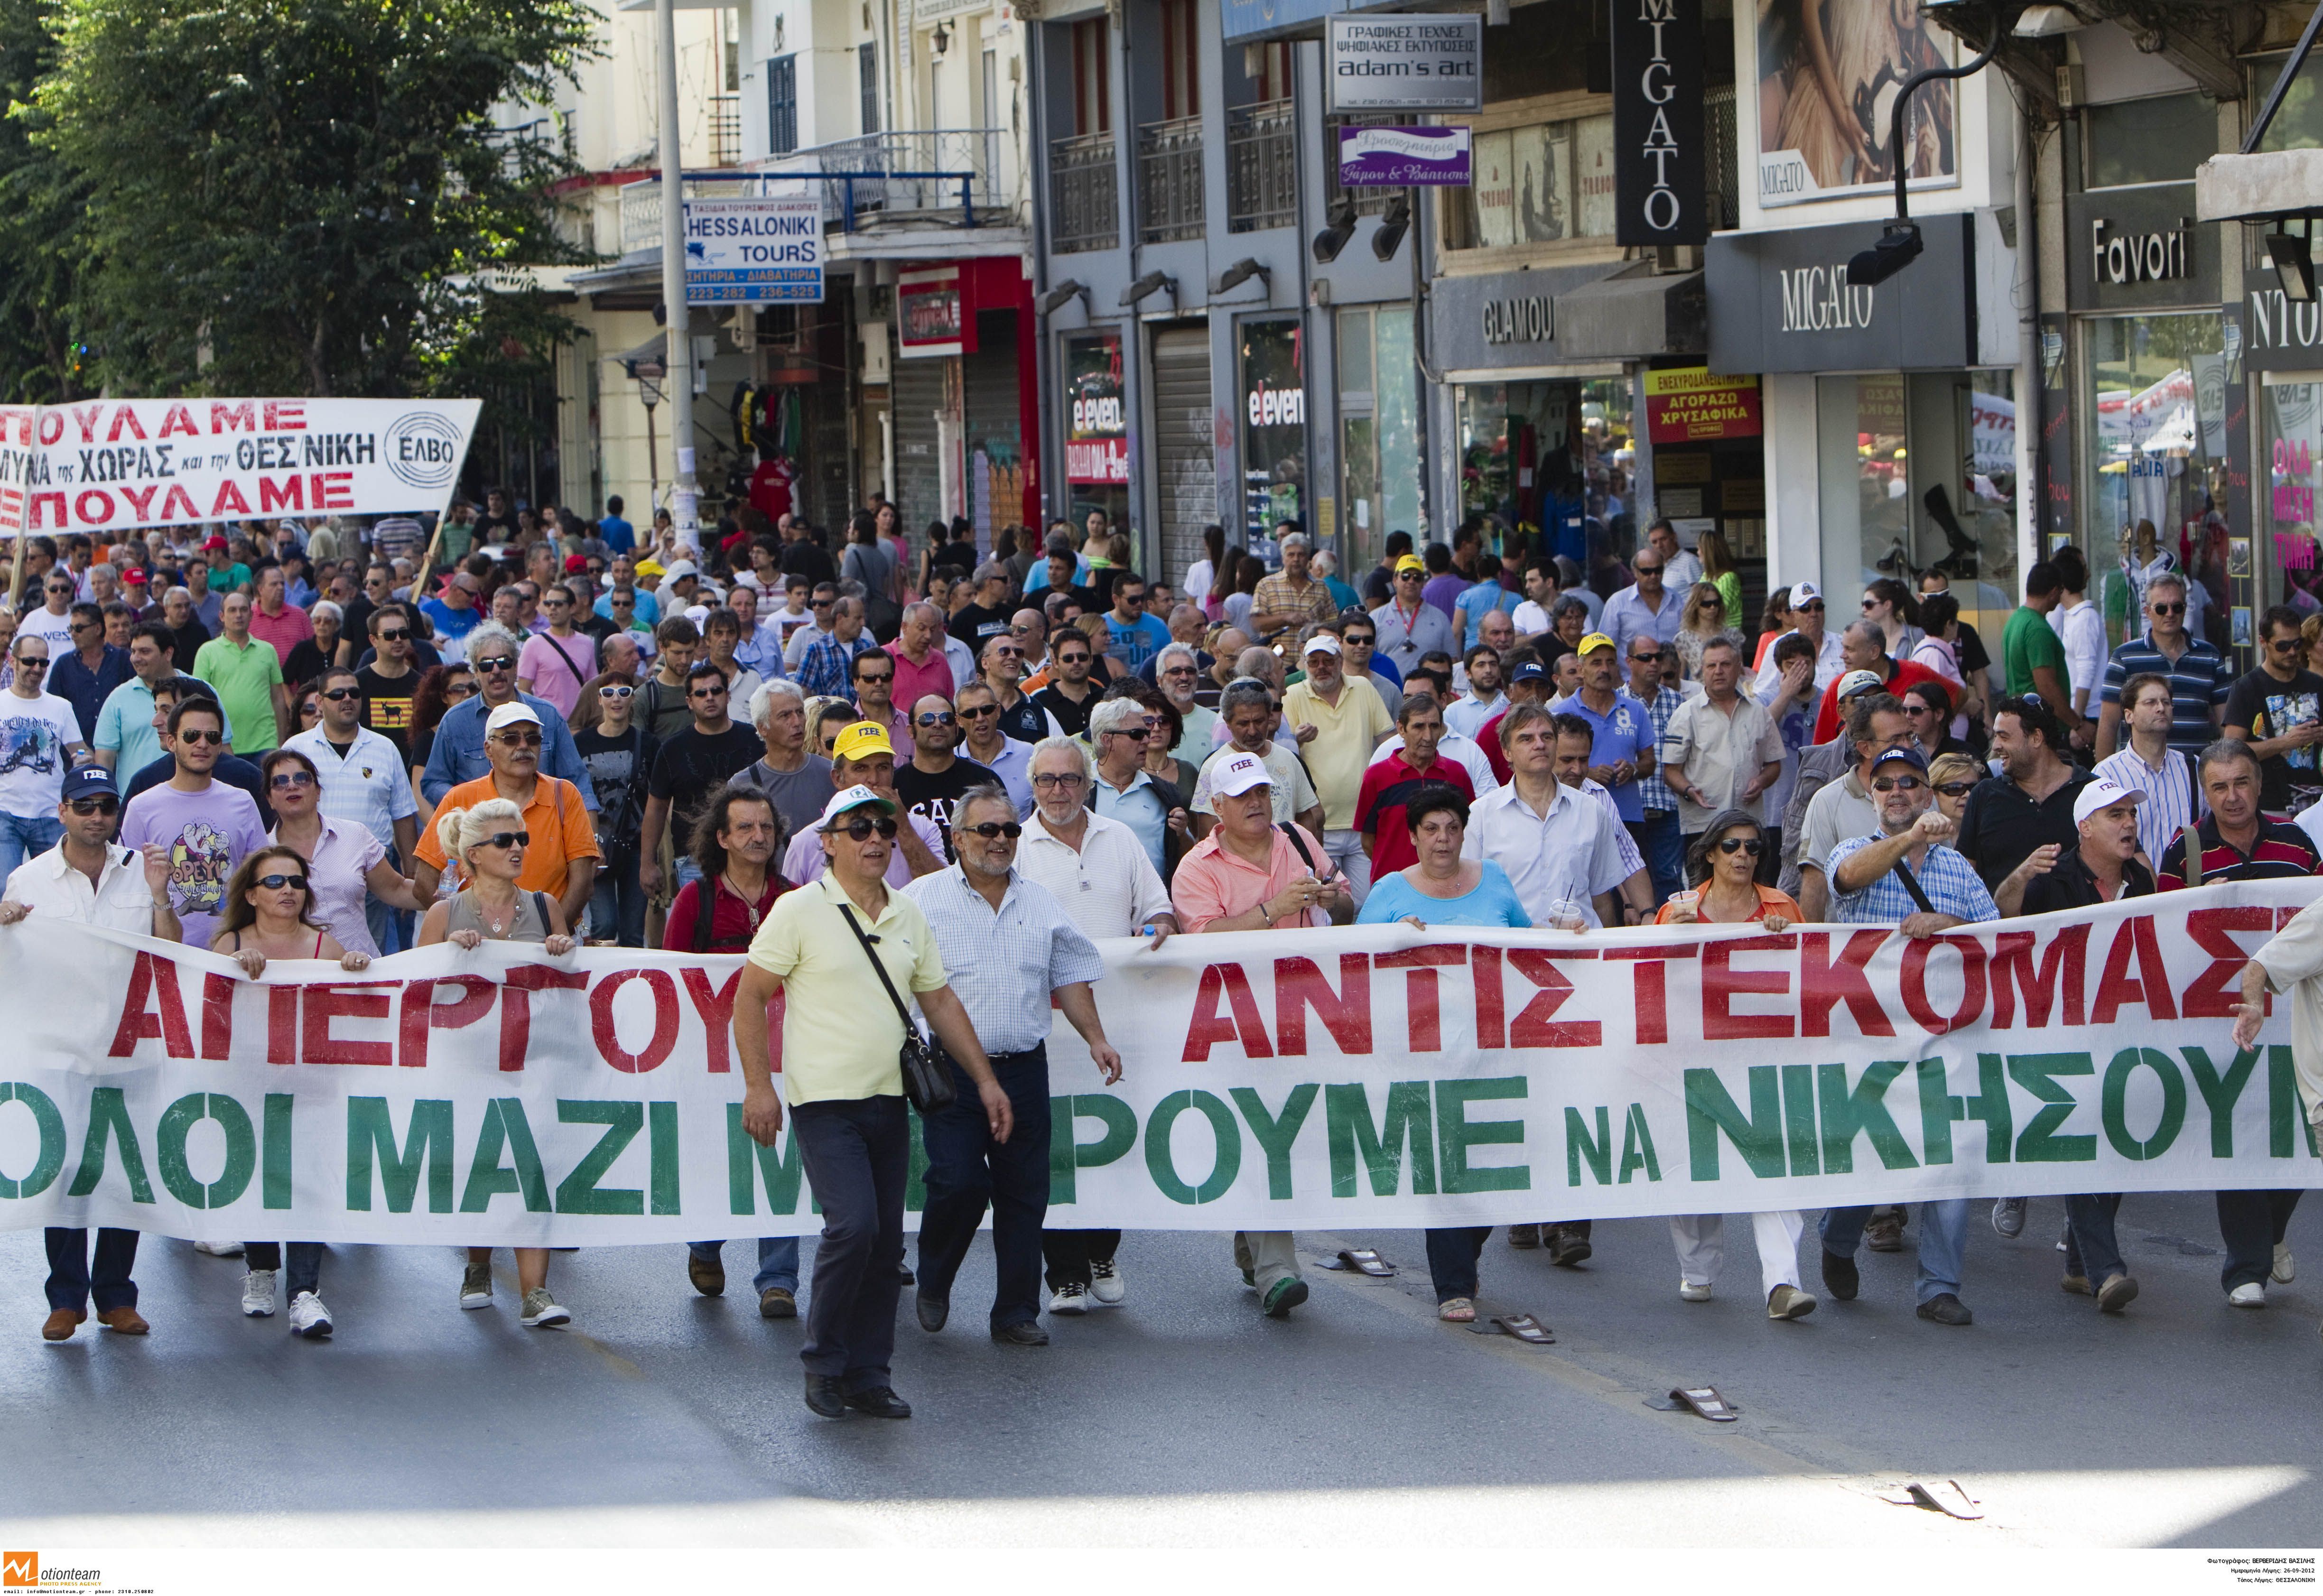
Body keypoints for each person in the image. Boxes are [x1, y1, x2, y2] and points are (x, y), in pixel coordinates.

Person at [734, 783, 1009, 1420]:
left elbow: (938, 1000)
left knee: (886, 1245)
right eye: (858, 830)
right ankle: (823, 1365)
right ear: (826, 844)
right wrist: (758, 1086)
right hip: (823, 1100)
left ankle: (869, 1374)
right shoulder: (799, 911)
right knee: (853, 1227)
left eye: (883, 829)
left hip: (889, 1099)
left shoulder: (908, 913)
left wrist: (987, 1080)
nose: (876, 840)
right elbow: (751, 998)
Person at [904, 785, 1117, 1347]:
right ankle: (935, 1276)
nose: (1001, 840)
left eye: (1010, 830)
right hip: (950, 1073)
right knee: (957, 1180)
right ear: (957, 839)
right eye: (988, 830)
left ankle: (1016, 1312)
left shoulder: (1042, 902)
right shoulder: (921, 900)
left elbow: (1068, 975)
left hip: (1024, 1067)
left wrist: (1096, 1038)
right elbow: (896, 982)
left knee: (1025, 1192)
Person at [1822, 745, 1999, 1326]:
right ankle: (1838, 1238)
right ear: (1872, 797)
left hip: (1943, 1038)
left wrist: (1949, 924)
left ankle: (1938, 1286)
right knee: (1872, 1159)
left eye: (1909, 782)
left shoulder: (1959, 869)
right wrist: (1910, 838)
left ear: (1926, 792)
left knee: (1949, 1159)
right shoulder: (1853, 850)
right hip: (1868, 1039)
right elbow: (1849, 880)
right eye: (1885, 784)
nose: (1896, 791)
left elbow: (2001, 937)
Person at [1171, 750, 1351, 1317]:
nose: (1256, 803)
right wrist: (1273, 910)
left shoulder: (1298, 838)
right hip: (1232, 1019)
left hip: (1303, 1011)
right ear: (1216, 806)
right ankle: (1277, 1268)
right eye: (1243, 795)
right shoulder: (1197, 867)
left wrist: (1330, 899)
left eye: (1263, 792)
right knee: (1261, 1132)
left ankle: (1256, 1250)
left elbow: (1347, 904)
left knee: (1287, 1133)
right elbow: (1202, 939)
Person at [1, 764, 176, 1341]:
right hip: (60, 1048)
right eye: (85, 806)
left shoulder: (142, 871)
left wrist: (159, 895)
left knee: (127, 1171)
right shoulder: (29, 879)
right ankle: (66, 1297)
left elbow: (170, 951)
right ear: (63, 812)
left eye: (106, 805)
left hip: (133, 1046)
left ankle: (116, 1295)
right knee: (68, 1170)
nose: (97, 816)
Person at [1014, 736, 1176, 1311]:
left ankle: (1102, 1249)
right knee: (1055, 1148)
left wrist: (1159, 920)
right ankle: (1065, 1276)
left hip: (1120, 1018)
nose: (1058, 791)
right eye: (1046, 780)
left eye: (1070, 779)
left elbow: (1156, 905)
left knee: (1117, 1141)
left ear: (1088, 784)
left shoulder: (1121, 839)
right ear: (1031, 786)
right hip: (1047, 1026)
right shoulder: (1017, 849)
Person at [1354, 784, 1525, 1321]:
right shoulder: (1388, 892)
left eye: (1452, 827)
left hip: (1493, 1049)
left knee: (1498, 1165)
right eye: (1431, 829)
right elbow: (1350, 964)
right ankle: (1453, 1283)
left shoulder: (1493, 879)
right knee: (1446, 1164)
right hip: (1424, 1053)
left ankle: (1465, 1250)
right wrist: (1390, 938)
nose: (1443, 839)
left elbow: (1527, 945)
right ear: (1412, 836)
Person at [417, 797, 580, 1329]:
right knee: (481, 1165)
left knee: (534, 1166)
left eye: (522, 839)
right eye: (505, 841)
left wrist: (563, 946)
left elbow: (571, 980)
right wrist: (451, 956)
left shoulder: (542, 905)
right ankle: (479, 1266)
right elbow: (414, 988)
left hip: (534, 1060)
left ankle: (536, 1291)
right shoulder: (446, 913)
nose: (517, 848)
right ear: (474, 853)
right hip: (468, 1062)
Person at [1653, 809, 1816, 1321]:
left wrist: (1785, 937)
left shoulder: (1782, 906)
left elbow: (1813, 974)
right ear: (1708, 853)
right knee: (1696, 1167)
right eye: (1731, 847)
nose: (1743, 855)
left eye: (1752, 847)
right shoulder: (1678, 908)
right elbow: (1647, 981)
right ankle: (1697, 1269)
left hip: (1761, 1057)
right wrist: (1669, 935)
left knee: (1773, 1164)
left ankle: (1782, 1283)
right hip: (1693, 1057)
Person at [208, 843, 370, 1336]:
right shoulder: (230, 942)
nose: (288, 890)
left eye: (297, 882)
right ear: (252, 894)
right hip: (250, 1085)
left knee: (307, 1183)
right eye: (275, 882)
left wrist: (361, 971)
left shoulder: (326, 947)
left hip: (311, 1086)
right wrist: (234, 968)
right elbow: (206, 1011)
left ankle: (304, 1292)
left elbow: (357, 1010)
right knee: (261, 1180)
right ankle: (261, 1271)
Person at [666, 787, 804, 1319]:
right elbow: (671, 978)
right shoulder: (694, 901)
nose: (758, 837)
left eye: (766, 827)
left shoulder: (795, 899)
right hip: (710, 1055)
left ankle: (778, 1279)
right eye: (745, 827)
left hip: (784, 1051)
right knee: (718, 1156)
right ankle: (706, 1243)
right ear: (721, 838)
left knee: (780, 1155)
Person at [413, 702, 599, 932]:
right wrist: (463, 931)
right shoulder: (460, 798)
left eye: (533, 739)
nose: (524, 746)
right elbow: (423, 883)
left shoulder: (565, 794)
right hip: (475, 950)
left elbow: (583, 883)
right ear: (488, 749)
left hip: (551, 950)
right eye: (511, 738)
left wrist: (547, 936)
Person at [280, 672, 422, 955]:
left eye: (354, 693)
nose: (347, 699)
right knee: (312, 956)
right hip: (309, 872)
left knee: (370, 957)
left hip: (375, 871)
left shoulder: (385, 748)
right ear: (320, 701)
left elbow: (403, 815)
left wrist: (411, 871)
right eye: (337, 694)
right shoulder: (296, 749)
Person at [1464, 705, 1633, 930]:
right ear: (1507, 752)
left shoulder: (1592, 811)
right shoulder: (1480, 815)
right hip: (1510, 952)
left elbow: (1602, 901)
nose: (1540, 744)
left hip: (1578, 950)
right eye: (1526, 739)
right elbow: (1469, 898)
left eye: (1547, 736)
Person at [118, 696, 268, 948]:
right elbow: (126, 886)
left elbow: (263, 876)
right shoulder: (141, 807)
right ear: (172, 741)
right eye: (191, 736)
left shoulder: (242, 802)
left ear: (221, 744)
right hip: (165, 951)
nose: (202, 744)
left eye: (212, 737)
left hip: (231, 952)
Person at [418, 624, 597, 809]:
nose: (496, 671)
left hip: (544, 828)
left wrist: (589, 830)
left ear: (516, 667)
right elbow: (433, 783)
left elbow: (577, 780)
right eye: (486, 665)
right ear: (476, 673)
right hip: (479, 831)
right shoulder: (454, 722)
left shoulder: (548, 715)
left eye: (504, 662)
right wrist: (471, 806)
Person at [1279, 632, 1393, 904]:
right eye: (1314, 662)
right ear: (1304, 665)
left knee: (1366, 904)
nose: (1321, 668)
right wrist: (1295, 739)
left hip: (1361, 822)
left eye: (1328, 661)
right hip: (1319, 825)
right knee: (1326, 906)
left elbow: (1389, 742)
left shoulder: (1363, 688)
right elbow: (1279, 753)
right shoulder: (1293, 695)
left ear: (1340, 662)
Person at [641, 661, 762, 900]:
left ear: (728, 696)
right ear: (689, 701)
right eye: (701, 693)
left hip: (752, 852)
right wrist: (647, 864)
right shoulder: (672, 749)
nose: (710, 697)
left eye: (716, 691)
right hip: (693, 858)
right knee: (700, 933)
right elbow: (656, 808)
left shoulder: (755, 739)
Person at [1792, 691, 1912, 924]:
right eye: (1895, 739)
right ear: (1865, 748)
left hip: (1920, 948)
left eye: (1910, 736)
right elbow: (1815, 889)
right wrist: (1812, 954)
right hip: (1852, 953)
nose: (1907, 747)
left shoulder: (1923, 794)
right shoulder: (1827, 802)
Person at [780, 722, 947, 886]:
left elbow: (944, 893)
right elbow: (790, 909)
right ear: (838, 778)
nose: (874, 779)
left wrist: (903, 827)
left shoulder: (922, 829)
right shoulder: (805, 843)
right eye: (860, 768)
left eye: (883, 767)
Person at [1660, 636, 1784, 851]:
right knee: (1704, 885)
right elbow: (1670, 771)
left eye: (1725, 664)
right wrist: (1689, 790)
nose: (1718, 671)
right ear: (1702, 671)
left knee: (1751, 884)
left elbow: (1774, 764)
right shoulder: (1685, 714)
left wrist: (1762, 781)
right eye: (1712, 665)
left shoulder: (1759, 713)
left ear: (1738, 668)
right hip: (1704, 825)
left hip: (1749, 822)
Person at [1956, 696, 2091, 891]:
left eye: (2004, 737)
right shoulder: (1983, 795)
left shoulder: (2092, 791)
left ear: (2036, 738)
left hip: (2081, 921)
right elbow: (1963, 878)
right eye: (1996, 737)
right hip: (2005, 921)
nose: (1995, 746)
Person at [2094, 572, 2231, 764]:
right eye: (2161, 608)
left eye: (2177, 607)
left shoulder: (2210, 656)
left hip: (2196, 771)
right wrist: (2103, 781)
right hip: (2138, 771)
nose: (2170, 614)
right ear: (2147, 611)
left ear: (2185, 609)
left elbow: (2227, 723)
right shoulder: (2125, 657)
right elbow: (2109, 724)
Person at [1564, 633, 1663, 897]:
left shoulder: (1635, 709)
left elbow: (1650, 763)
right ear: (1581, 668)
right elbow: (1552, 767)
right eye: (1596, 662)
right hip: (1578, 817)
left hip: (1629, 817)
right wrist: (1588, 773)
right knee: (1593, 895)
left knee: (1636, 894)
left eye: (1610, 662)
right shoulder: (1561, 712)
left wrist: (1633, 769)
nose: (1604, 669)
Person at [572, 674, 655, 946]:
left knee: (633, 931)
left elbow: (659, 799)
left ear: (633, 698)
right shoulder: (581, 743)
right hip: (596, 845)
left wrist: (656, 854)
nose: (616, 698)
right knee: (604, 924)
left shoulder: (649, 743)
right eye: (608, 692)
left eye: (624, 692)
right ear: (599, 700)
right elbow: (573, 796)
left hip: (636, 845)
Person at [0, 631, 90, 881]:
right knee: (4, 888)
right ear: (13, 661)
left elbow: (79, 748)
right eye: (29, 661)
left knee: (57, 885)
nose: (37, 668)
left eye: (44, 662)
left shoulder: (60, 706)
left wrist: (81, 757)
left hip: (50, 812)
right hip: (5, 812)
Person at [1355, 693, 1473, 880]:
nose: (1427, 736)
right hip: (1393, 886)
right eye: (1419, 727)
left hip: (1446, 886)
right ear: (1401, 729)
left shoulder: (1456, 774)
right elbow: (1368, 841)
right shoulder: (1377, 777)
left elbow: (1467, 831)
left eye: (1434, 726)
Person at [2224, 604, 2323, 817]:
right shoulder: (2246, 687)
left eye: (2298, 643)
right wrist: (2285, 743)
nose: (2292, 652)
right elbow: (2230, 750)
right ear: (2263, 642)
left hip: (2317, 803)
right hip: (2269, 803)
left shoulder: (2317, 684)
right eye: (2283, 646)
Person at [2094, 672, 2200, 865]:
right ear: (2129, 715)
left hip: (2190, 888)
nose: (2161, 708)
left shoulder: (2194, 767)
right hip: (2135, 891)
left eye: (2166, 702)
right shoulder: (2106, 775)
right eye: (2151, 702)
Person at [727, 679, 835, 843]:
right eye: (785, 716)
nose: (797, 723)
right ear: (763, 727)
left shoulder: (832, 774)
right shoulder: (742, 784)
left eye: (800, 712)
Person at [895, 692, 999, 860]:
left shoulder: (985, 781)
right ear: (910, 731)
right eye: (926, 719)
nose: (938, 724)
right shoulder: (895, 785)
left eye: (947, 718)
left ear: (957, 727)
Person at [1809, 620, 1947, 744]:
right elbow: (1822, 746)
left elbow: (1957, 696)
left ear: (1874, 652)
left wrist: (1932, 744)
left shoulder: (1915, 672)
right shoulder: (1838, 688)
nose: (1842, 655)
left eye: (1850, 649)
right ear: (1842, 710)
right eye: (1858, 700)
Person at [192, 591, 288, 754]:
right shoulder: (207, 652)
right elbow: (199, 701)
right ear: (222, 616)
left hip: (266, 743)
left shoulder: (268, 650)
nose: (239, 615)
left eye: (244, 610)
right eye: (232, 610)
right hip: (223, 745)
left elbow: (278, 699)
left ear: (251, 616)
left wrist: (280, 741)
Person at [2002, 563, 2084, 747]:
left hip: (2022, 721)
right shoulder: (2038, 629)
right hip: (2040, 725)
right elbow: (2047, 688)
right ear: (2055, 591)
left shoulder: (2016, 620)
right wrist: (2077, 724)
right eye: (2061, 591)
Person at [48, 603, 130, 746]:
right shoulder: (63, 665)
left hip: (118, 750)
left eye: (79, 629)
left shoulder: (123, 660)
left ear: (98, 629)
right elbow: (53, 712)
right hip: (74, 756)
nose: (73, 634)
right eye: (71, 628)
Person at [1752, 581, 1845, 700]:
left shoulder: (1842, 644)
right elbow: (1762, 694)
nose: (1814, 614)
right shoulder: (1777, 646)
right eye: (1805, 609)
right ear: (1793, 615)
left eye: (1819, 607)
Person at [516, 582, 596, 718]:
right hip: (547, 721)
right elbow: (523, 691)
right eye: (548, 604)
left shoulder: (587, 643)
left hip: (579, 724)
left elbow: (593, 687)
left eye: (559, 604)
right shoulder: (533, 644)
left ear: (572, 607)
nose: (552, 608)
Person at [1370, 554, 1456, 674]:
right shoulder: (1376, 618)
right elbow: (1367, 659)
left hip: (1429, 691)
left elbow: (1453, 661)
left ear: (1423, 583)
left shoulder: (1440, 618)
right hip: (1387, 691)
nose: (1411, 581)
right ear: (1395, 581)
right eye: (1405, 576)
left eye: (1417, 577)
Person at [1247, 532, 1336, 643]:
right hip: (1278, 657)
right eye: (1291, 555)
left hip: (1312, 657)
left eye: (1301, 555)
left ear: (1308, 559)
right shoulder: (1267, 585)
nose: (1296, 559)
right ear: (1283, 558)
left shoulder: (1321, 587)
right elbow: (1256, 624)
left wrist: (1315, 626)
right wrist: (1284, 618)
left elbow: (1333, 623)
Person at [1602, 548, 1680, 660]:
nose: (1653, 576)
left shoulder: (1677, 599)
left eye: (1658, 570)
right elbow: (1606, 646)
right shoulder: (1617, 603)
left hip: (1670, 676)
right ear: (1635, 572)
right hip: (1631, 676)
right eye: (1647, 572)